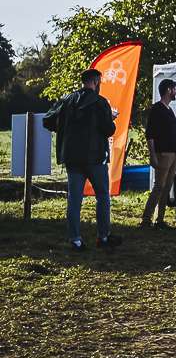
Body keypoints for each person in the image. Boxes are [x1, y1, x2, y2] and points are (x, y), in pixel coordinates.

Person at [42, 67, 119, 251]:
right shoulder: (101, 102)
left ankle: (75, 239)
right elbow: (109, 130)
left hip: (72, 157)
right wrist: (112, 117)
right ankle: (103, 237)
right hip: (95, 157)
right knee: (102, 196)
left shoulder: (67, 100)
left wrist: (64, 129)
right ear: (95, 81)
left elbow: (47, 120)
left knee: (74, 199)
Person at [142, 78, 176, 227]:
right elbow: (150, 134)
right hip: (162, 153)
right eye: (174, 89)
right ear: (168, 90)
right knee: (159, 186)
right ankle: (146, 218)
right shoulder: (157, 109)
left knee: (167, 186)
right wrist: (152, 154)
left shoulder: (169, 110)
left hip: (172, 154)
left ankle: (160, 219)